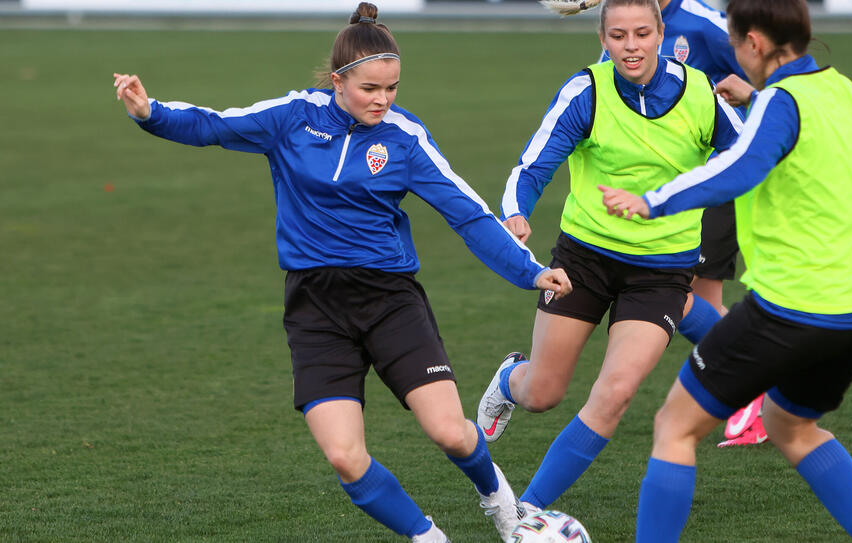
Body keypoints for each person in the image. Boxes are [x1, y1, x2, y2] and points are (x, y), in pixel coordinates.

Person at [112, 3, 571, 541]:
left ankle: (501, 503)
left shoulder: (405, 137)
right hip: (315, 306)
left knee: (449, 432)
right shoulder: (291, 118)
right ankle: (429, 537)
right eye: (370, 89)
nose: (382, 100)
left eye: (392, 88)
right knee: (345, 457)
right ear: (338, 81)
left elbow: (466, 212)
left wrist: (530, 272)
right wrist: (150, 113)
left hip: (389, 299)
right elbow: (215, 124)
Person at [598, 0, 852, 541]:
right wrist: (757, 98)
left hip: (790, 309)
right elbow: (801, 134)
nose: (734, 53)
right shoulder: (839, 88)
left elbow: (735, 169)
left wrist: (650, 200)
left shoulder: (780, 103)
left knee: (673, 427)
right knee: (792, 425)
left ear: (754, 43)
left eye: (736, 43)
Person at [475, 0, 741, 525]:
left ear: (662, 33)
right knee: (543, 394)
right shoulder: (586, 91)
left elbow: (749, 154)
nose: (632, 45)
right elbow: (532, 166)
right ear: (603, 36)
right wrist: (515, 214)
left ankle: (526, 515)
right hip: (584, 259)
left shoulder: (699, 94)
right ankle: (510, 381)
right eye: (618, 35)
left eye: (642, 33)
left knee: (614, 395)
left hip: (661, 271)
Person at [555, 0, 768, 446]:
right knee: (684, 300)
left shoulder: (707, 24)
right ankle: (750, 375)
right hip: (643, 202)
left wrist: (746, 103)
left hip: (705, 185)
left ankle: (749, 390)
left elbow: (765, 80)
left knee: (696, 295)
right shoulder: (625, 23)